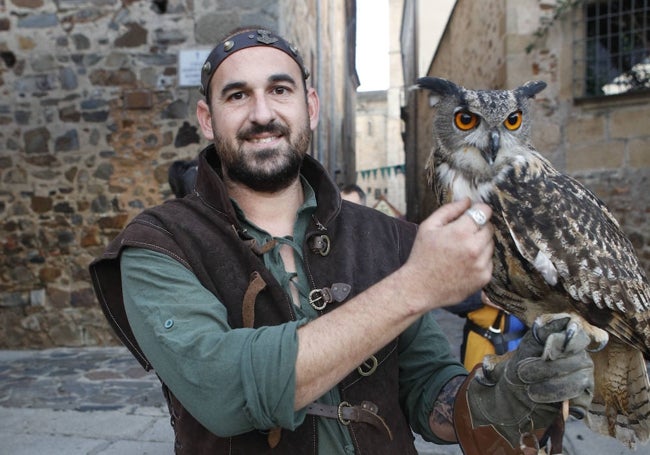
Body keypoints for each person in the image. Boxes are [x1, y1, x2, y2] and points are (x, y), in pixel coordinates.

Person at [90, 27, 595, 455]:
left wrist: (505, 394)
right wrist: (416, 286)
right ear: (207, 118)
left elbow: (426, 390)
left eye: (280, 90)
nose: (262, 114)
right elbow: (225, 392)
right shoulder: (158, 245)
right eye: (237, 95)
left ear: (309, 106)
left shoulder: (387, 237)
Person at [446, 291, 528, 370]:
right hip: (481, 342)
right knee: (476, 381)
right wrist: (479, 297)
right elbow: (445, 295)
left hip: (524, 343)